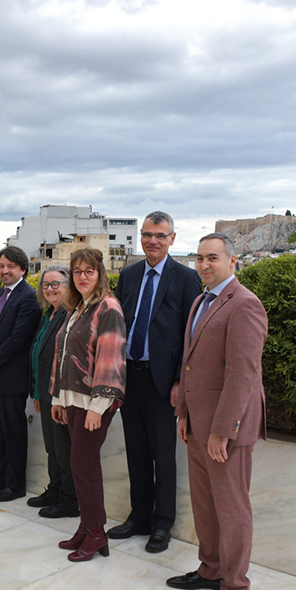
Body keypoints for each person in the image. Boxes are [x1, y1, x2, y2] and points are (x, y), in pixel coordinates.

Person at [167, 233, 267, 590]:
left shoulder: (245, 305)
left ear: (233, 261)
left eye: (213, 258)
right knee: (205, 506)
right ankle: (210, 571)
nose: (204, 265)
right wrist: (185, 416)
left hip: (226, 431)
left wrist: (223, 431)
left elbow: (243, 375)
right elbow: (191, 365)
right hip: (197, 425)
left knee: (231, 508)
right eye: (200, 258)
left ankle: (236, 588)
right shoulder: (200, 300)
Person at [109, 211, 202, 553]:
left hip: (163, 383)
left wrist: (179, 381)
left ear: (172, 239)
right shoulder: (129, 275)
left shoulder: (186, 278)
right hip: (129, 377)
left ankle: (162, 524)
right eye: (147, 234)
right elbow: (120, 324)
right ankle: (139, 516)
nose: (153, 240)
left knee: (163, 456)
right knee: (135, 450)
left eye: (160, 235)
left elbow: (190, 335)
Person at [50, 248, 127, 562]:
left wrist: (98, 407)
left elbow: (111, 358)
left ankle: (97, 532)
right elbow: (63, 354)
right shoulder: (78, 307)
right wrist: (58, 398)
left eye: (89, 271)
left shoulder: (108, 307)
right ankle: (88, 526)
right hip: (72, 399)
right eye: (77, 271)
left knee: (85, 466)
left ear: (100, 274)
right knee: (79, 465)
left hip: (94, 402)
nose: (82, 276)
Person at [0, 246, 41, 502]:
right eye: (1, 266)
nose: (4, 271)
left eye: (10, 267)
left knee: (13, 432)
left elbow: (18, 338)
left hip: (11, 378)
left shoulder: (29, 297)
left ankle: (15, 486)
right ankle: (1, 480)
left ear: (22, 269)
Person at [27, 265, 78, 518]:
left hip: (61, 395)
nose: (50, 289)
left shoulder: (70, 314)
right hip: (45, 393)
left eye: (55, 284)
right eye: (45, 285)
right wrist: (37, 392)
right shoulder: (48, 314)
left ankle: (69, 500)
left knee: (64, 449)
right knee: (52, 448)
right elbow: (40, 355)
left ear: (68, 285)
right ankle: (55, 490)